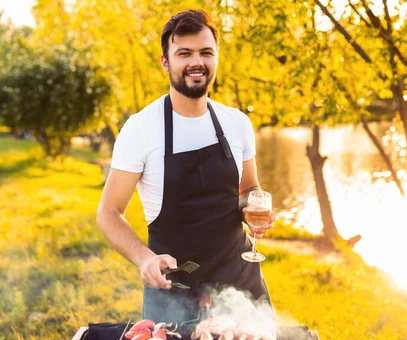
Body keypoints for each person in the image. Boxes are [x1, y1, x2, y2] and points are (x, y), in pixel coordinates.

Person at [97, 9, 275, 323]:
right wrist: (144, 260)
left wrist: (254, 209)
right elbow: (109, 212)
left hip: (241, 283)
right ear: (165, 62)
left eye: (206, 52)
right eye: (184, 53)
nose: (197, 62)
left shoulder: (237, 124)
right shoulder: (141, 129)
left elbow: (248, 189)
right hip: (175, 289)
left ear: (217, 58)